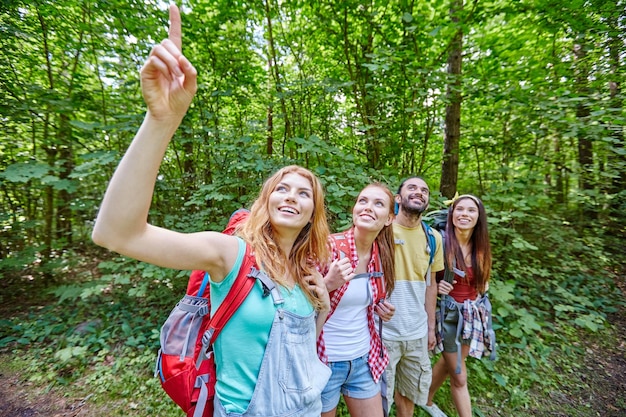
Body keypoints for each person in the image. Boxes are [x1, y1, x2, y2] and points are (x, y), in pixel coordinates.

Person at [91, 5, 331, 416]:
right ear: (266, 202)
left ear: (313, 214)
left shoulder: (306, 270)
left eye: (304, 193)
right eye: (282, 188)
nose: (292, 196)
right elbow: (117, 233)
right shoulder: (230, 255)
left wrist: (322, 306)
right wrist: (161, 120)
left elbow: (300, 353)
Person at [318, 183, 397, 417]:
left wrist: (382, 310)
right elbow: (295, 304)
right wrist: (327, 283)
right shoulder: (328, 247)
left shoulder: (382, 255)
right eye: (363, 201)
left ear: (389, 219)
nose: (368, 207)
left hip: (363, 359)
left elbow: (362, 303)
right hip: (324, 361)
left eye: (378, 204)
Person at [422, 194, 494, 417]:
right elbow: (425, 276)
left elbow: (483, 282)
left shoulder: (480, 246)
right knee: (459, 375)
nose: (464, 214)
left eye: (471, 210)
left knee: (450, 363)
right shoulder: (440, 241)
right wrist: (438, 284)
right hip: (448, 314)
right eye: (459, 209)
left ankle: (424, 398)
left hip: (471, 315)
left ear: (478, 216)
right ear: (452, 214)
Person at [380, 176, 445, 417]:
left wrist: (430, 328)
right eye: (412, 188)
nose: (419, 192)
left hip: (416, 334)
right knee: (379, 400)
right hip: (383, 333)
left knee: (408, 396)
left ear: (427, 202)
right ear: (398, 198)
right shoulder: (382, 231)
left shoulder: (434, 238)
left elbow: (430, 286)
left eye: (425, 190)